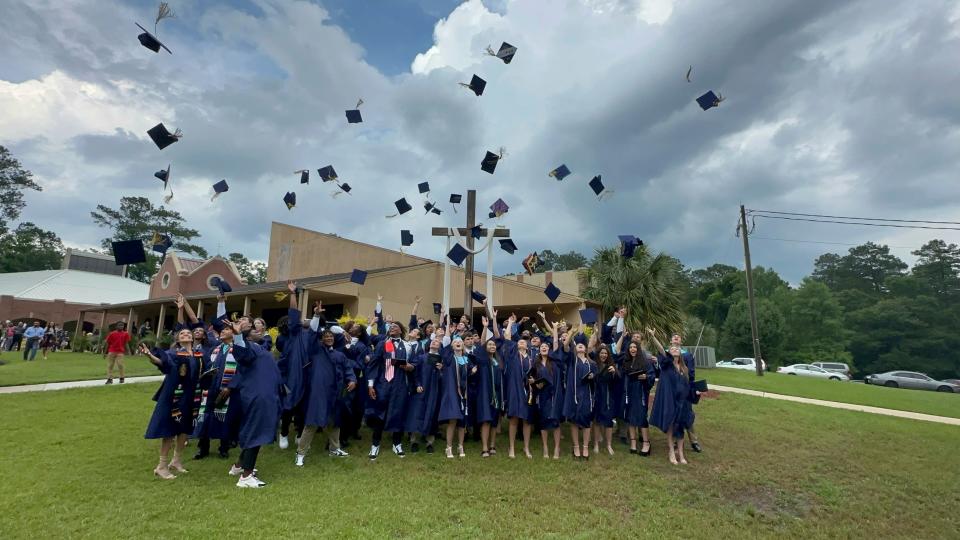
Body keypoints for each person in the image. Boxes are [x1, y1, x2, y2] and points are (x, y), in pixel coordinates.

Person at [296, 295, 357, 467]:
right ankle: (300, 453)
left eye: (331, 336)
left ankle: (334, 449)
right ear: (322, 339)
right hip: (318, 392)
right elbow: (313, 333)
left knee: (334, 422)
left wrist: (352, 379)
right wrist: (316, 315)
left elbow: (347, 369)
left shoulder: (339, 355)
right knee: (312, 423)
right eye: (326, 336)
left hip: (335, 392)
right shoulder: (315, 351)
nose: (329, 338)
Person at [225, 316, 281, 488]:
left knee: (255, 430)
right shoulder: (245, 348)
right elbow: (242, 353)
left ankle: (239, 466)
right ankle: (246, 477)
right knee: (256, 432)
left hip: (265, 394)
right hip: (258, 395)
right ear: (247, 336)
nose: (259, 331)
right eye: (254, 330)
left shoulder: (259, 347)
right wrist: (238, 335)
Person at [139, 328, 201, 480]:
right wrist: (150, 356)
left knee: (184, 429)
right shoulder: (174, 353)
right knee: (170, 429)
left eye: (188, 333)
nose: (186, 334)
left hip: (190, 396)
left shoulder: (198, 355)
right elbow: (163, 363)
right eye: (182, 334)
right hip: (174, 396)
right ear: (178, 339)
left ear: (192, 337)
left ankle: (176, 461)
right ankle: (161, 466)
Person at [365, 320, 418, 460]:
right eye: (391, 326)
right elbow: (374, 364)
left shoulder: (407, 345)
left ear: (401, 330)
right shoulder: (383, 344)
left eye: (396, 326)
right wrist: (371, 385)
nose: (392, 327)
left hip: (400, 384)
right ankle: (375, 445)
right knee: (379, 414)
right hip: (383, 383)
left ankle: (397, 443)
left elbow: (414, 364)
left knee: (398, 413)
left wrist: (410, 367)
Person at [649, 330, 694, 465]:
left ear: (681, 353)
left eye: (677, 349)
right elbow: (661, 349)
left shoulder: (684, 369)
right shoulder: (667, 364)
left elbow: (688, 385)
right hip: (670, 401)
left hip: (682, 402)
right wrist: (652, 336)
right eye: (672, 348)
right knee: (671, 425)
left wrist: (694, 393)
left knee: (680, 427)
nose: (674, 350)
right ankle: (670, 451)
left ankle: (680, 453)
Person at [501, 314, 535, 459]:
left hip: (528, 391)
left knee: (527, 421)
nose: (521, 343)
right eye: (519, 342)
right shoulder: (512, 355)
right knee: (514, 419)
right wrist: (511, 323)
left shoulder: (532, 359)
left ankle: (527, 448)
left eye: (523, 342)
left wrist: (533, 380)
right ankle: (512, 447)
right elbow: (507, 336)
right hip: (515, 390)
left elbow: (535, 374)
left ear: (527, 345)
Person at [562, 324, 597, 460]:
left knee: (587, 420)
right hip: (574, 394)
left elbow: (595, 376)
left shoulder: (591, 363)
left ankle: (585, 447)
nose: (581, 346)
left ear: (586, 349)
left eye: (583, 345)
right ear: (575, 349)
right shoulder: (572, 360)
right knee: (575, 421)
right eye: (578, 345)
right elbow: (565, 346)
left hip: (587, 394)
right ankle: (576, 446)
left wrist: (592, 377)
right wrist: (571, 332)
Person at [437, 333, 475, 458]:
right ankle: (448, 447)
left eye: (460, 342)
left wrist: (472, 371)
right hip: (452, 392)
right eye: (455, 342)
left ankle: (460, 446)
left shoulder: (466, 359)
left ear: (463, 345)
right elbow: (446, 345)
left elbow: (467, 374)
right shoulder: (448, 358)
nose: (458, 343)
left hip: (464, 394)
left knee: (462, 422)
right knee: (453, 420)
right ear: (452, 346)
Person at [620, 333, 656, 456]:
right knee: (630, 417)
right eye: (630, 348)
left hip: (640, 392)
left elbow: (652, 375)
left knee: (641, 417)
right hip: (629, 392)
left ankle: (646, 443)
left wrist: (646, 377)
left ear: (638, 349)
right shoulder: (626, 362)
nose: (632, 349)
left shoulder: (645, 361)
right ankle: (633, 442)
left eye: (634, 347)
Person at [590, 329, 621, 456]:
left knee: (608, 422)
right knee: (597, 421)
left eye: (605, 353)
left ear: (608, 355)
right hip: (597, 395)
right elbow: (590, 347)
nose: (603, 355)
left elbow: (617, 381)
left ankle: (608, 445)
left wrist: (614, 372)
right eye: (601, 353)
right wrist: (595, 333)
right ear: (598, 354)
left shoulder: (611, 366)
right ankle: (596, 444)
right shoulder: (594, 365)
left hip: (608, 397)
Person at [670, 333, 703, 453]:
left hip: (685, 389)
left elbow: (692, 374)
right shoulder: (666, 353)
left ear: (681, 341)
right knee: (673, 416)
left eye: (678, 337)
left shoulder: (687, 355)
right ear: (671, 340)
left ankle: (694, 441)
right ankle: (673, 441)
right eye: (674, 337)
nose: (676, 338)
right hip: (671, 390)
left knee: (687, 415)